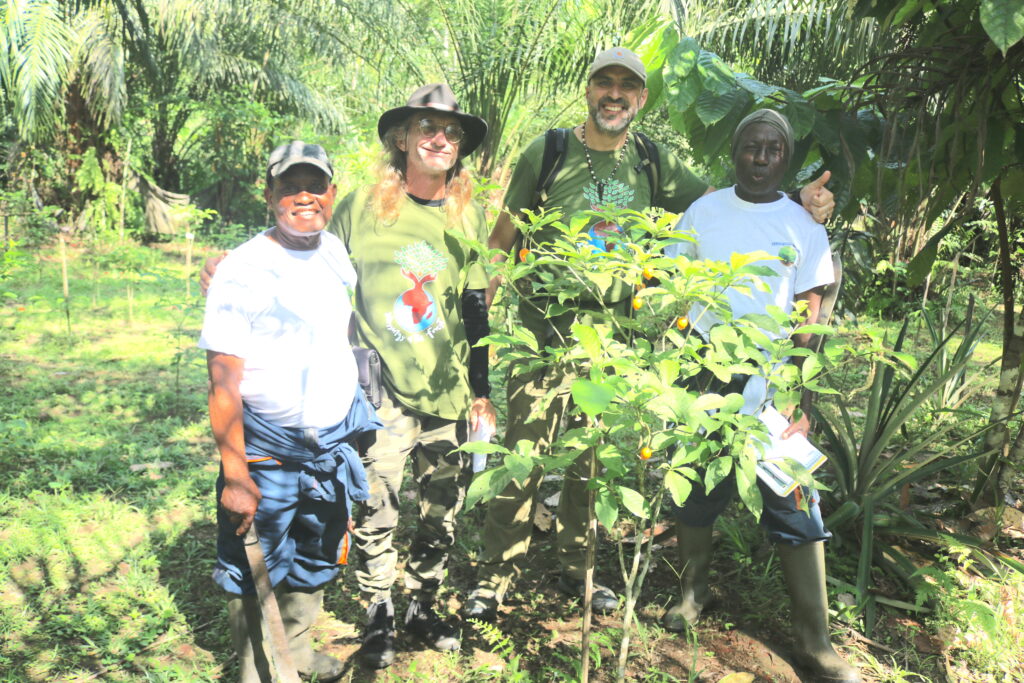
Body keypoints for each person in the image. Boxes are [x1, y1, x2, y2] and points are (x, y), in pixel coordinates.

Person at [463, 46, 836, 622]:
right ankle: (496, 572)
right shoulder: (551, 150)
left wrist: (801, 202)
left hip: (617, 338)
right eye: (604, 83)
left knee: (594, 459)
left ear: (640, 98)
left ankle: (580, 571)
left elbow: (732, 198)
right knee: (527, 452)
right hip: (548, 333)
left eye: (628, 86)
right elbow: (504, 235)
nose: (615, 94)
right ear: (588, 90)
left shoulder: (651, 160)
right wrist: (479, 317)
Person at [661, 109, 860, 683]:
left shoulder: (804, 226)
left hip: (775, 384)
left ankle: (815, 641)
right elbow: (679, 294)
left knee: (796, 503)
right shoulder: (704, 212)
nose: (762, 158)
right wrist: (681, 369)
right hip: (706, 375)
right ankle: (693, 591)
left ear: (787, 159)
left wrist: (798, 391)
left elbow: (809, 316)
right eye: (752, 147)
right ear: (735, 151)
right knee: (696, 492)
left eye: (774, 149)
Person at [327, 84, 496, 669]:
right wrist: (237, 265)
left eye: (451, 131)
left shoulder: (467, 213)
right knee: (379, 500)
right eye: (427, 126)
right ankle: (378, 609)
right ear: (401, 138)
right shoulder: (360, 208)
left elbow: (476, 309)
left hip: (447, 390)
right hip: (383, 388)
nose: (439, 138)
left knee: (442, 506)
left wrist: (482, 392)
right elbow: (310, 264)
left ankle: (424, 601)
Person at [200, 141, 380, 683]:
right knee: (253, 566)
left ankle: (296, 653)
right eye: (289, 186)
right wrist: (235, 475)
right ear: (269, 194)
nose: (304, 197)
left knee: (316, 555)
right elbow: (223, 382)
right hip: (268, 449)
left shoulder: (334, 253)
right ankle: (259, 671)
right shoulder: (244, 270)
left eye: (316, 185)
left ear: (332, 193)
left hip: (328, 446)